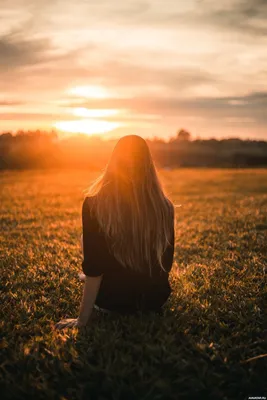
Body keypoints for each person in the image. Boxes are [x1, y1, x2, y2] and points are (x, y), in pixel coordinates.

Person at [55, 135, 175, 329]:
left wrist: (82, 320)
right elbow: (166, 263)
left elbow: (95, 268)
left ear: (114, 161)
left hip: (112, 303)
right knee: (88, 239)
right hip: (154, 301)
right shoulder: (165, 206)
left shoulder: (94, 205)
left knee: (86, 240)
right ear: (148, 164)